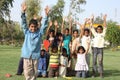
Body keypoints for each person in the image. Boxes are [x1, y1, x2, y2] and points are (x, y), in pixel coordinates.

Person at [21, 2, 49, 80]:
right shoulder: (27, 32)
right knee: (27, 73)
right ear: (29, 26)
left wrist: (46, 16)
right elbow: (23, 23)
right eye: (31, 27)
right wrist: (23, 13)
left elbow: (44, 26)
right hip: (27, 56)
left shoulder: (39, 33)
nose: (33, 28)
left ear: (37, 27)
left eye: (35, 27)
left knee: (35, 73)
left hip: (35, 56)